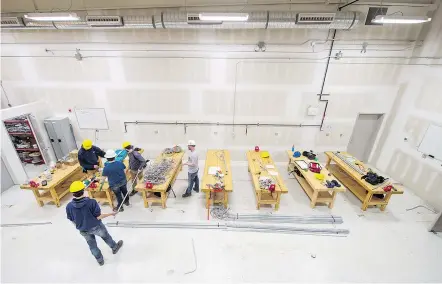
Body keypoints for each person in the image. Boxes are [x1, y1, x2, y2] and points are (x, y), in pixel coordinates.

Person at [66, 180, 123, 266]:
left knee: (92, 245)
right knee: (106, 237)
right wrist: (111, 214)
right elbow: (98, 216)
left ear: (73, 193)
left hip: (83, 230)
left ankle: (100, 260)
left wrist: (80, 226)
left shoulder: (69, 206)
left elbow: (71, 219)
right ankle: (114, 248)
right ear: (83, 191)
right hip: (96, 226)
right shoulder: (91, 202)